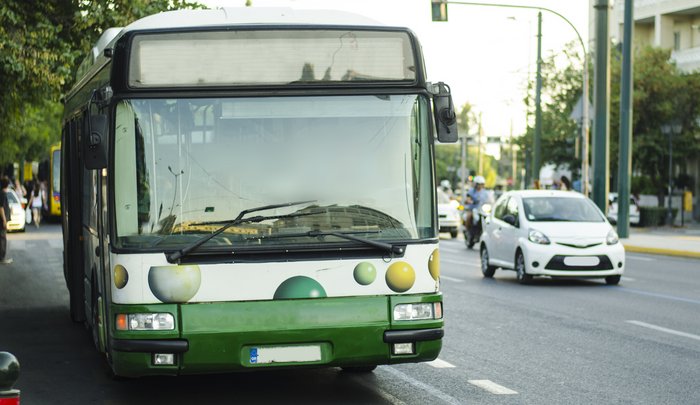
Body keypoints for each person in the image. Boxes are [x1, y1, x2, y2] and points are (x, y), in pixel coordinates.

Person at [0, 177, 12, 264]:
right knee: (2, 239)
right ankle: (2, 258)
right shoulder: (3, 194)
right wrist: (4, 220)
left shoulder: (2, 193)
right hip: (1, 221)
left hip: (2, 220)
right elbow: (1, 208)